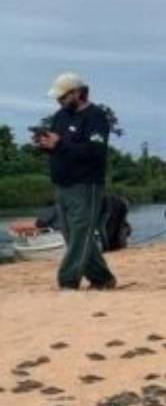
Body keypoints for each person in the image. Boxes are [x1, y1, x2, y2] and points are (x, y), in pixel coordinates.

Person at [32, 73, 118, 290]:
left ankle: (67, 282)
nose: (58, 101)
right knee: (73, 236)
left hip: (86, 185)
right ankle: (102, 279)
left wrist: (59, 145)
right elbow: (58, 145)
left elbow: (95, 152)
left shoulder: (96, 117)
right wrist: (44, 144)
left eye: (62, 97)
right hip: (62, 184)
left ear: (77, 93)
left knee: (81, 234)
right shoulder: (60, 116)